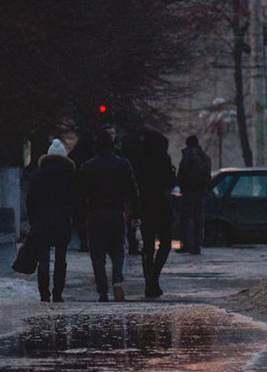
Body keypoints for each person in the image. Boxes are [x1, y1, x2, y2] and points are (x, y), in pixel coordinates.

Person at [75, 128, 140, 302]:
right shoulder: (123, 164)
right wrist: (135, 214)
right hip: (116, 212)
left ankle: (102, 290)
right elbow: (133, 192)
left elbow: (81, 195)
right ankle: (117, 280)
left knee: (98, 254)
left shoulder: (88, 166)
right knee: (118, 250)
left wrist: (79, 219)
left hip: (95, 214)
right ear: (113, 145)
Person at [26, 139, 75, 303]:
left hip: (41, 222)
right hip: (61, 221)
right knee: (61, 260)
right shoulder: (69, 176)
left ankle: (44, 293)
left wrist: (33, 220)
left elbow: (30, 201)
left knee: (43, 259)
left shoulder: (37, 176)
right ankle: (58, 293)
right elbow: (74, 201)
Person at [132, 128, 177, 298]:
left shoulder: (140, 161)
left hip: (145, 207)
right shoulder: (163, 160)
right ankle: (153, 278)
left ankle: (149, 281)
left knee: (148, 246)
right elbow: (171, 182)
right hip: (161, 206)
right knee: (165, 244)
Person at [176, 135, 212, 254]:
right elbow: (208, 175)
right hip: (201, 191)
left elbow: (182, 171)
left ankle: (187, 245)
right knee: (198, 219)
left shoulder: (188, 155)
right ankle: (197, 246)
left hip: (188, 190)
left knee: (186, 218)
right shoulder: (204, 156)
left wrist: (181, 184)